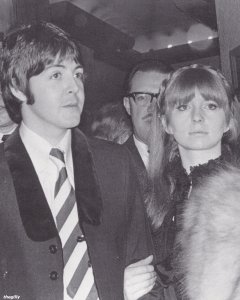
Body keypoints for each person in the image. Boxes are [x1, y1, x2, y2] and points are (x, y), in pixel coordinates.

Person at [0, 22, 156, 300]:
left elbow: (143, 271)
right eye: (56, 75)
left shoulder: (115, 163)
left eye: (78, 74)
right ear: (18, 88)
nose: (74, 87)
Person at [147, 64, 240, 299]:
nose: (197, 117)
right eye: (183, 106)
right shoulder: (149, 196)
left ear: (228, 119)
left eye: (211, 106)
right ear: (166, 123)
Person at [123, 60, 174, 300]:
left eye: (161, 96)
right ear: (127, 105)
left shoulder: (196, 164)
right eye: (142, 97)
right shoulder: (104, 168)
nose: (153, 107)